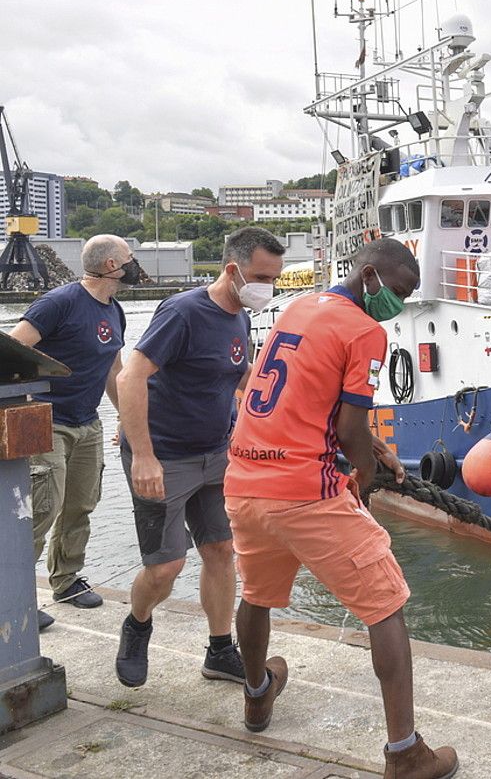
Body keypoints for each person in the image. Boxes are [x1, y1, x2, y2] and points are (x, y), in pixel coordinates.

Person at [223, 238, 457, 779]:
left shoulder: (300, 309)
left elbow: (302, 398)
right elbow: (349, 427)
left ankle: (257, 695)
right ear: (370, 275)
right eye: (399, 291)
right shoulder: (364, 331)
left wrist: (370, 446)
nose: (400, 303)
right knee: (386, 604)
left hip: (245, 482)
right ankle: (405, 753)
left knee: (256, 595)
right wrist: (365, 477)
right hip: (306, 493)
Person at [112, 228, 285, 687]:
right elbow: (132, 377)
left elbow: (235, 371)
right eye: (261, 276)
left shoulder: (239, 317)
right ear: (232, 270)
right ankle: (138, 623)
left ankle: (219, 650)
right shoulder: (184, 312)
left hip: (215, 453)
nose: (267, 287)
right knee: (166, 566)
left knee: (221, 549)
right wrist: (143, 456)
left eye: (275, 278)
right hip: (164, 456)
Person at [10, 235, 137, 631]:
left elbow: (113, 371)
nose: (134, 265)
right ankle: (15, 595)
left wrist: (128, 418)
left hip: (87, 423)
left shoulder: (115, 311)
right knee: (42, 509)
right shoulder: (59, 303)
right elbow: (14, 349)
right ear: (112, 264)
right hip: (47, 422)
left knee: (81, 504)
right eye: (130, 258)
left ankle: (65, 580)